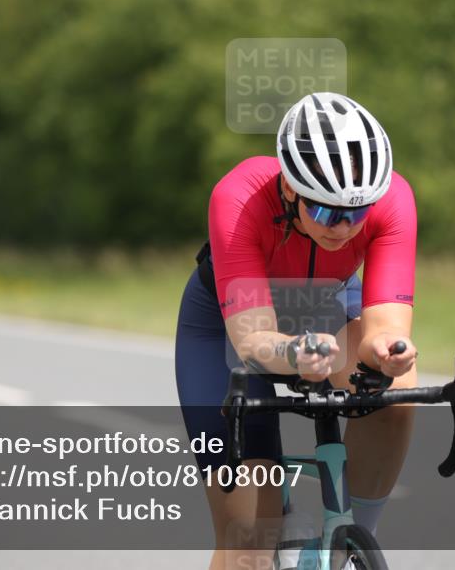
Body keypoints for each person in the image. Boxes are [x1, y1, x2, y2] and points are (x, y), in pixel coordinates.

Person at [175, 92, 418, 569]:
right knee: (247, 548)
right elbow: (254, 340)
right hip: (229, 327)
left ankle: (351, 543)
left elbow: (383, 326)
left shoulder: (394, 200)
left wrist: (387, 354)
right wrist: (296, 353)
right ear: (290, 189)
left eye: (358, 212)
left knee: (397, 390)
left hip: (326, 305)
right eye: (328, 212)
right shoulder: (240, 197)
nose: (344, 229)